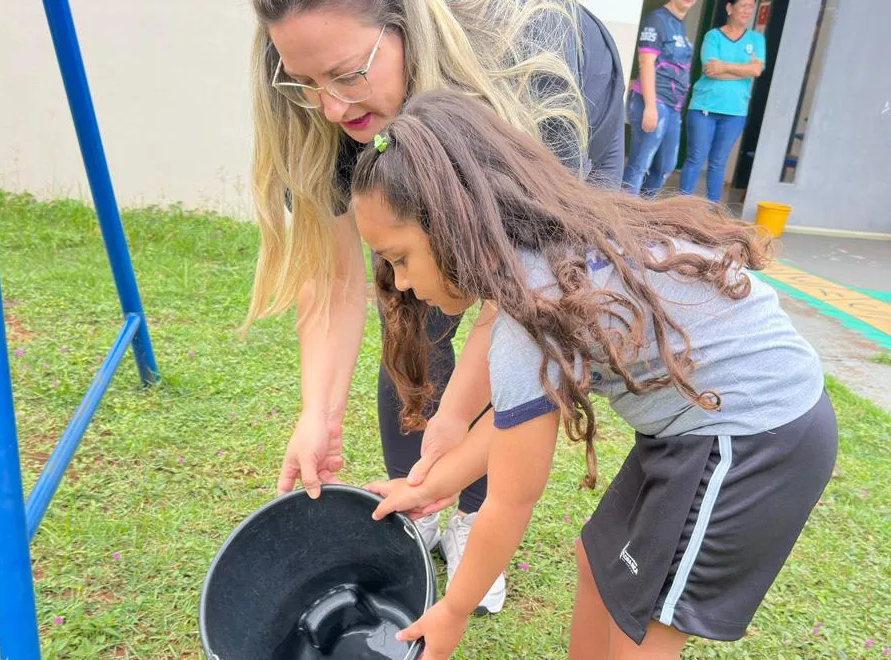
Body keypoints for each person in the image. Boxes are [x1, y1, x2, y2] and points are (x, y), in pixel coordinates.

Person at [356, 89, 837, 659]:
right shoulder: (543, 262)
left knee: (642, 634)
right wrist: (430, 485)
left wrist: (454, 609)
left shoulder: (532, 312)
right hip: (696, 424)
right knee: (598, 563)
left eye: (400, 257)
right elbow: (512, 430)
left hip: (755, 435)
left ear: (452, 224)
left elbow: (510, 502)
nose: (400, 281)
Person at [244, 0, 626, 614]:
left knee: (522, 329)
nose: (333, 107)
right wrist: (318, 413)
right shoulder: (319, 99)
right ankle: (419, 499)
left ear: (404, 27)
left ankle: (473, 513)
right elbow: (337, 278)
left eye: (346, 74)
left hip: (539, 101)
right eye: (308, 83)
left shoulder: (531, 69)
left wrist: (454, 418)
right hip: (431, 126)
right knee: (414, 305)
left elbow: (517, 300)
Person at [679, 0, 766, 202]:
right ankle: (681, 207)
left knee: (718, 163)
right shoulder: (713, 36)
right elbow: (710, 70)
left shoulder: (756, 39)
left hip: (735, 112)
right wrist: (743, 69)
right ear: (729, 8)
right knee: (695, 158)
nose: (747, 10)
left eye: (750, 6)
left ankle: (713, 214)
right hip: (704, 108)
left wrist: (724, 67)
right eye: (742, 5)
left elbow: (756, 70)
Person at [622, 0, 696, 197]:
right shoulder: (657, 19)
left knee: (665, 167)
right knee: (640, 164)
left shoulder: (679, 23)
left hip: (673, 107)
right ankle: (622, 215)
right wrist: (650, 106)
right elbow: (646, 62)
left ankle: (642, 214)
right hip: (655, 102)